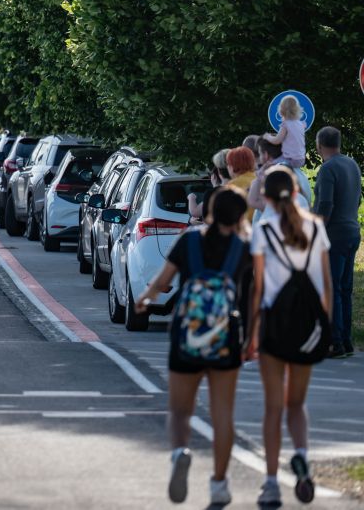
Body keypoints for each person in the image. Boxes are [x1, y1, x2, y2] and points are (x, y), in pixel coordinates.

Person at [135, 186, 252, 506]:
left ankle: (179, 452)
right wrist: (251, 337)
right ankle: (219, 484)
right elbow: (253, 297)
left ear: (209, 211)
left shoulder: (189, 241)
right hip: (226, 337)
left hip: (187, 334)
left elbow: (163, 281)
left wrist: (144, 299)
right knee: (222, 414)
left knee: (180, 409)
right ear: (239, 217)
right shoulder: (243, 249)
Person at [247, 168, 333, 505]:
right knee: (296, 403)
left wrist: (251, 334)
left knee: (273, 407)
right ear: (296, 192)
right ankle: (302, 457)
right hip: (307, 326)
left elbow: (258, 288)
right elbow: (326, 285)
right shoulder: (315, 228)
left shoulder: (263, 231)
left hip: (274, 326)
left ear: (266, 198)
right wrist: (323, 326)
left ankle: (270, 484)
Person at [313, 126, 361, 358]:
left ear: (319, 145)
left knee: (331, 288)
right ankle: (347, 341)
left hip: (333, 235)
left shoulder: (327, 168)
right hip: (352, 231)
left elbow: (325, 204)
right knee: (345, 289)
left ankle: (336, 342)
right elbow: (357, 198)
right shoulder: (352, 164)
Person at [249, 136, 312, 210]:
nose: (259, 159)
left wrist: (259, 176)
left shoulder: (274, 175)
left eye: (260, 154)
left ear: (265, 155)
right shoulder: (298, 171)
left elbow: (253, 201)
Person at [262, 95, 307, 169]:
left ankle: (259, 175)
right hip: (301, 159)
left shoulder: (286, 124)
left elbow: (277, 140)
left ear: (281, 110)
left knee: (268, 166)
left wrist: (267, 137)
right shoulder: (301, 123)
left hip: (290, 159)